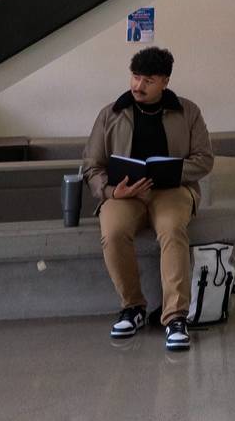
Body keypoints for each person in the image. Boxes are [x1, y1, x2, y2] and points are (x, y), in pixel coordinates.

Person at [81, 47, 216, 351]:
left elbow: (205, 159)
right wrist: (113, 191)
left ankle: (175, 317)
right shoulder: (111, 113)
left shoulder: (188, 112)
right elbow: (92, 165)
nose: (138, 86)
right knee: (113, 232)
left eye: (148, 80)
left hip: (172, 190)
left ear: (165, 82)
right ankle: (133, 308)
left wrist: (173, 171)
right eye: (135, 77)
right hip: (124, 193)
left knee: (171, 229)